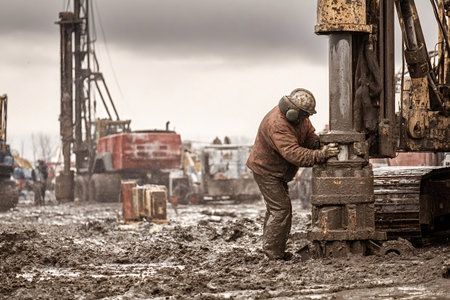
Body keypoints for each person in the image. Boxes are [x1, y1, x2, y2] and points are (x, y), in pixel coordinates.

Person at [246, 88, 339, 260]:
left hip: (277, 172)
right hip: (266, 171)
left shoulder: (299, 118)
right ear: (292, 112)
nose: (307, 119)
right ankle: (274, 255)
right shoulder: (278, 124)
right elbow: (293, 153)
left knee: (275, 210)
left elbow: (308, 136)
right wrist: (321, 155)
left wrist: (319, 142)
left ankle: (270, 249)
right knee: (281, 210)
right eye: (305, 116)